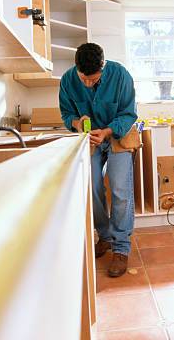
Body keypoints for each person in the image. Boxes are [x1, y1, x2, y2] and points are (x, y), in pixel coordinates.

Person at [59, 43, 137, 277]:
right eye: (84, 79)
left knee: (120, 188)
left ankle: (121, 247)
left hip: (117, 134)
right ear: (77, 68)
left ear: (103, 67)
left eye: (93, 80)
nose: (88, 84)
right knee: (92, 187)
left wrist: (107, 131)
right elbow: (66, 114)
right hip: (89, 139)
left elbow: (128, 113)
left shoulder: (120, 75)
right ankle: (104, 236)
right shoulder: (67, 80)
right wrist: (76, 122)